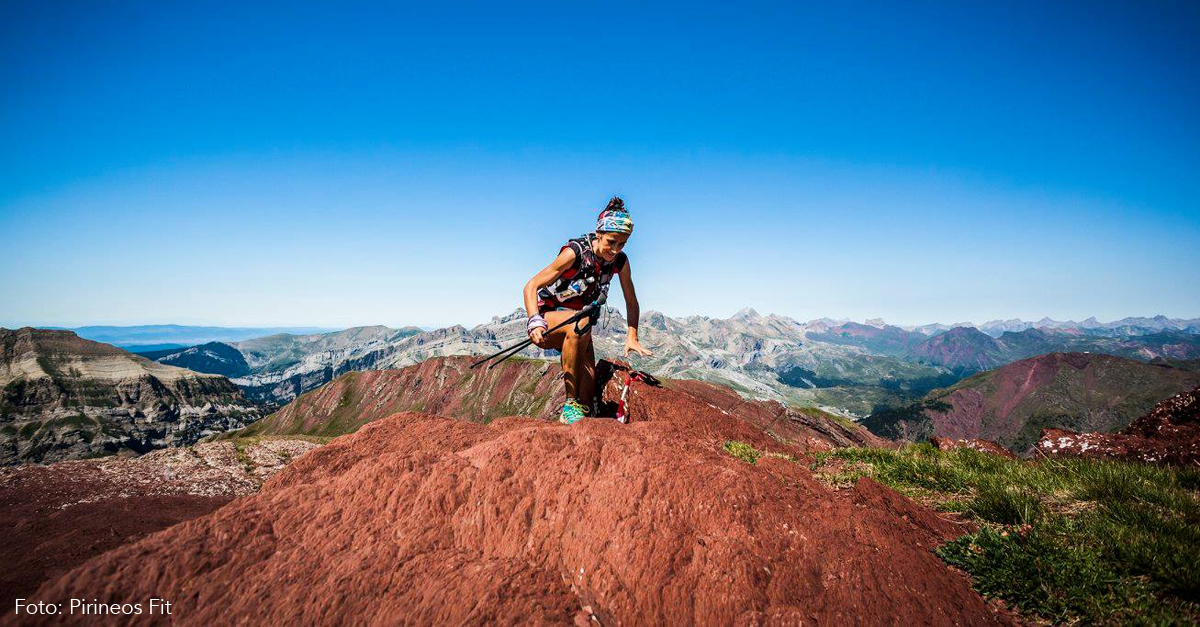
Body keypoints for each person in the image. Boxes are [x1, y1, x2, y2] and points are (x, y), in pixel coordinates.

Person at [523, 196, 653, 424]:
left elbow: (631, 301)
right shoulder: (574, 253)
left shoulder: (619, 262)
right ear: (599, 234)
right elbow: (531, 285)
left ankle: (577, 413)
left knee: (589, 397)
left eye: (621, 244)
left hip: (579, 327)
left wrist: (632, 335)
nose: (615, 249)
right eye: (611, 242)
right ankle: (569, 404)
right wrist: (534, 320)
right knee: (580, 323)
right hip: (548, 322)